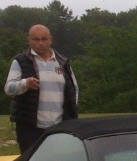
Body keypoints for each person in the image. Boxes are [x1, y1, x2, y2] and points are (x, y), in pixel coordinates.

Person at [5, 24, 80, 152]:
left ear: (50, 39)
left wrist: (71, 113)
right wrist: (25, 84)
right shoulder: (20, 62)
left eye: (44, 39)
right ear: (29, 40)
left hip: (59, 127)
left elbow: (74, 89)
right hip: (30, 128)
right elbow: (9, 88)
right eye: (36, 39)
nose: (40, 43)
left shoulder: (62, 62)